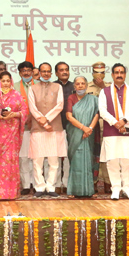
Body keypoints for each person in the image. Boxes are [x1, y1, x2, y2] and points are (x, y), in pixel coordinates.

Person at [98, 63, 129, 200]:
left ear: (125, 74)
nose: (119, 75)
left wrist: (124, 120)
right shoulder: (105, 91)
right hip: (111, 131)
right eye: (116, 72)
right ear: (112, 75)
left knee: (128, 160)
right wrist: (115, 123)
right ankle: (116, 188)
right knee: (112, 161)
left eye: (121, 72)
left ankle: (127, 188)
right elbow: (102, 110)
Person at [0, 71, 29, 200]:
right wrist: (0, 116)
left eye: (8, 81)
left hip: (13, 132)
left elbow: (24, 111)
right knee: (0, 161)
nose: (5, 83)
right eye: (3, 81)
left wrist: (14, 114)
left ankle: (12, 192)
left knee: (11, 160)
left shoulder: (16, 94)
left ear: (11, 81)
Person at [27, 62, 66, 197]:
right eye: (43, 71)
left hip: (54, 128)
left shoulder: (57, 87)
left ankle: (50, 186)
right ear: (38, 73)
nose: (46, 74)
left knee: (53, 160)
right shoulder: (32, 88)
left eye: (48, 71)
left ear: (51, 73)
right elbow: (32, 108)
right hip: (38, 128)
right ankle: (39, 187)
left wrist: (47, 119)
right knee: (37, 160)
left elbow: (60, 105)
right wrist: (43, 122)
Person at [65, 76, 99, 198]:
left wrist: (90, 129)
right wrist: (83, 128)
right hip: (76, 133)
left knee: (89, 161)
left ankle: (89, 190)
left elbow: (96, 115)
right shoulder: (71, 98)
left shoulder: (93, 99)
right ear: (74, 86)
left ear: (86, 85)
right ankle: (74, 190)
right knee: (76, 161)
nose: (80, 86)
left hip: (89, 133)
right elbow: (69, 116)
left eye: (82, 83)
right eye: (78, 84)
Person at [87, 61, 111, 190]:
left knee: (108, 155)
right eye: (97, 72)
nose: (99, 75)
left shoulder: (110, 87)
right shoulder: (86, 87)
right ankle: (93, 182)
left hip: (107, 125)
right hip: (91, 126)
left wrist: (103, 87)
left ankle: (108, 182)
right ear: (92, 73)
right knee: (93, 154)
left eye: (102, 73)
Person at [16, 61, 35, 194]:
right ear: (20, 73)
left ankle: (36, 183)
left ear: (32, 72)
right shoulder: (14, 87)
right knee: (23, 157)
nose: (26, 73)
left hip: (37, 126)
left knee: (37, 157)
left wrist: (33, 118)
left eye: (29, 70)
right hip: (20, 127)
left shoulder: (38, 85)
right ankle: (26, 185)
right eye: (24, 71)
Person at [54, 61, 73, 194]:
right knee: (54, 156)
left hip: (71, 126)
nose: (64, 72)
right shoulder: (53, 86)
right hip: (55, 125)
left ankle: (66, 183)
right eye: (61, 70)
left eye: (66, 69)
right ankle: (55, 183)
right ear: (56, 73)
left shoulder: (74, 86)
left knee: (68, 156)